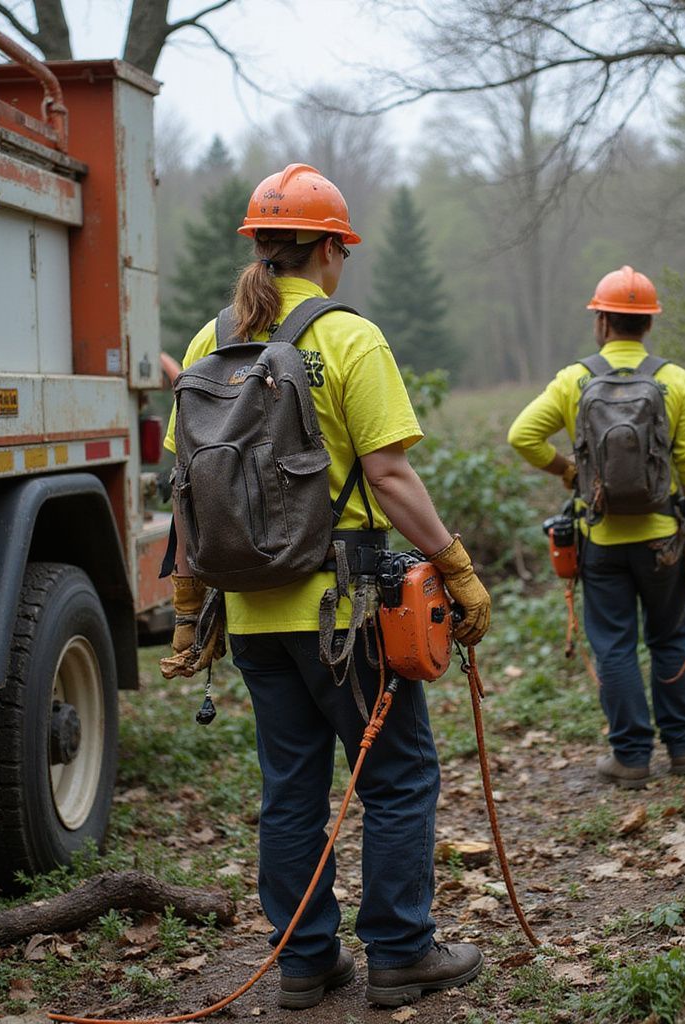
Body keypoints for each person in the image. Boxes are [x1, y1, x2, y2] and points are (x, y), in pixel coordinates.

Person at [164, 164, 488, 1010]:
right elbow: (388, 473)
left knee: (292, 788)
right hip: (344, 615)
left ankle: (304, 962)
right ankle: (400, 955)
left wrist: (189, 608)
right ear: (332, 250)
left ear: (261, 249)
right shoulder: (348, 336)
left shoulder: (206, 345)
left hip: (252, 620)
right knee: (397, 776)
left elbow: (188, 488)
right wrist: (454, 563)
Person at [507, 266, 685, 788]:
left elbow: (522, 436)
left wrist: (570, 471)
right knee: (669, 635)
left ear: (601, 321)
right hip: (664, 537)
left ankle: (630, 758)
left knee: (616, 645)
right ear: (648, 324)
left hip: (599, 538)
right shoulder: (674, 380)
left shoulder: (574, 380)